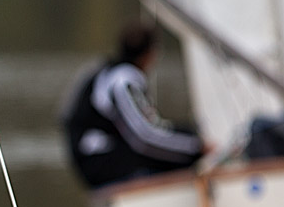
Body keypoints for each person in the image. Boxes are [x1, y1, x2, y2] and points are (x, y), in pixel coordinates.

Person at [61, 20, 208, 188]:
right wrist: (196, 148)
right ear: (149, 54)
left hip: (93, 159)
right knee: (180, 153)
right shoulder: (124, 79)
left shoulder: (106, 71)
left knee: (182, 136)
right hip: (100, 162)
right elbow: (143, 136)